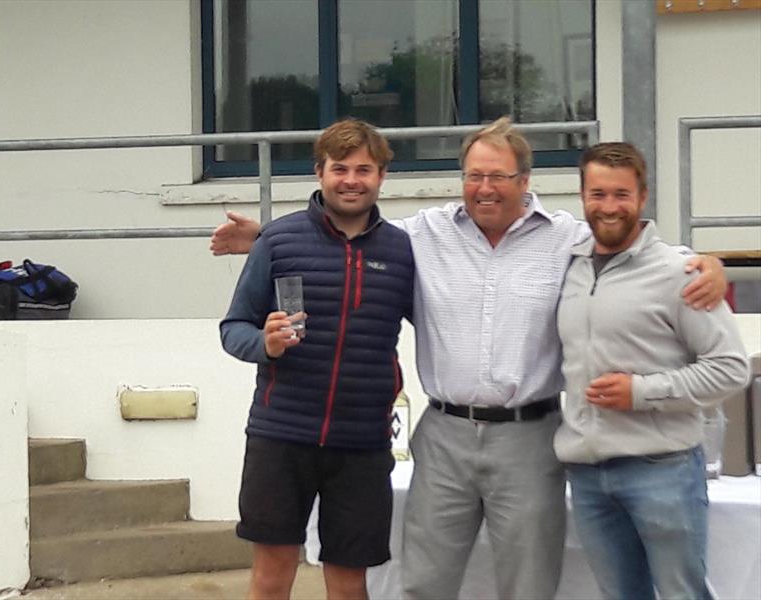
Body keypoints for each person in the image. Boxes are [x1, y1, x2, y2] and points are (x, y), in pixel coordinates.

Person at [211, 118, 727, 600]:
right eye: (475, 175)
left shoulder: (568, 237)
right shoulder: (422, 235)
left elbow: (627, 233)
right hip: (443, 437)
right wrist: (265, 238)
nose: (485, 188)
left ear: (525, 180)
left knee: (529, 585)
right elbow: (347, 235)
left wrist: (707, 262)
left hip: (531, 438)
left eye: (499, 176)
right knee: (423, 584)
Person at [219, 118, 414, 600]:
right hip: (281, 434)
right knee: (272, 575)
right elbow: (233, 328)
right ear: (319, 172)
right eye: (340, 168)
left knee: (349, 582)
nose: (352, 180)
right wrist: (264, 343)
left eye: (364, 169)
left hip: (362, 443)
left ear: (382, 176)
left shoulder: (402, 250)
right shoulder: (278, 241)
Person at [553, 142, 748, 600]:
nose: (609, 207)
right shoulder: (568, 267)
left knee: (682, 594)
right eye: (598, 194)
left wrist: (642, 392)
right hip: (587, 475)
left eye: (621, 195)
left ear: (642, 197)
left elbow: (730, 369)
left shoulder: (680, 273)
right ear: (582, 196)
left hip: (662, 470)